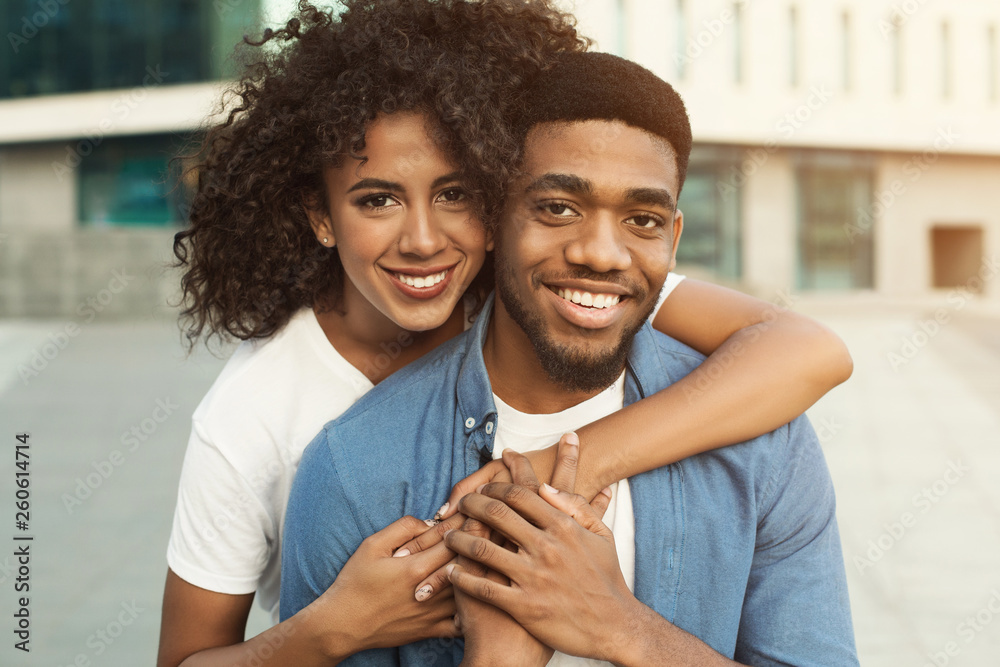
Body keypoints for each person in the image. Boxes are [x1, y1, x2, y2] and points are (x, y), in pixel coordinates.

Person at [159, 2, 852, 665]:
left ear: (489, 208)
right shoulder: (299, 438)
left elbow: (807, 350)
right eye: (378, 199)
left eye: (455, 193)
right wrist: (334, 627)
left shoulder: (577, 283)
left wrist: (565, 483)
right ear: (321, 214)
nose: (424, 240)